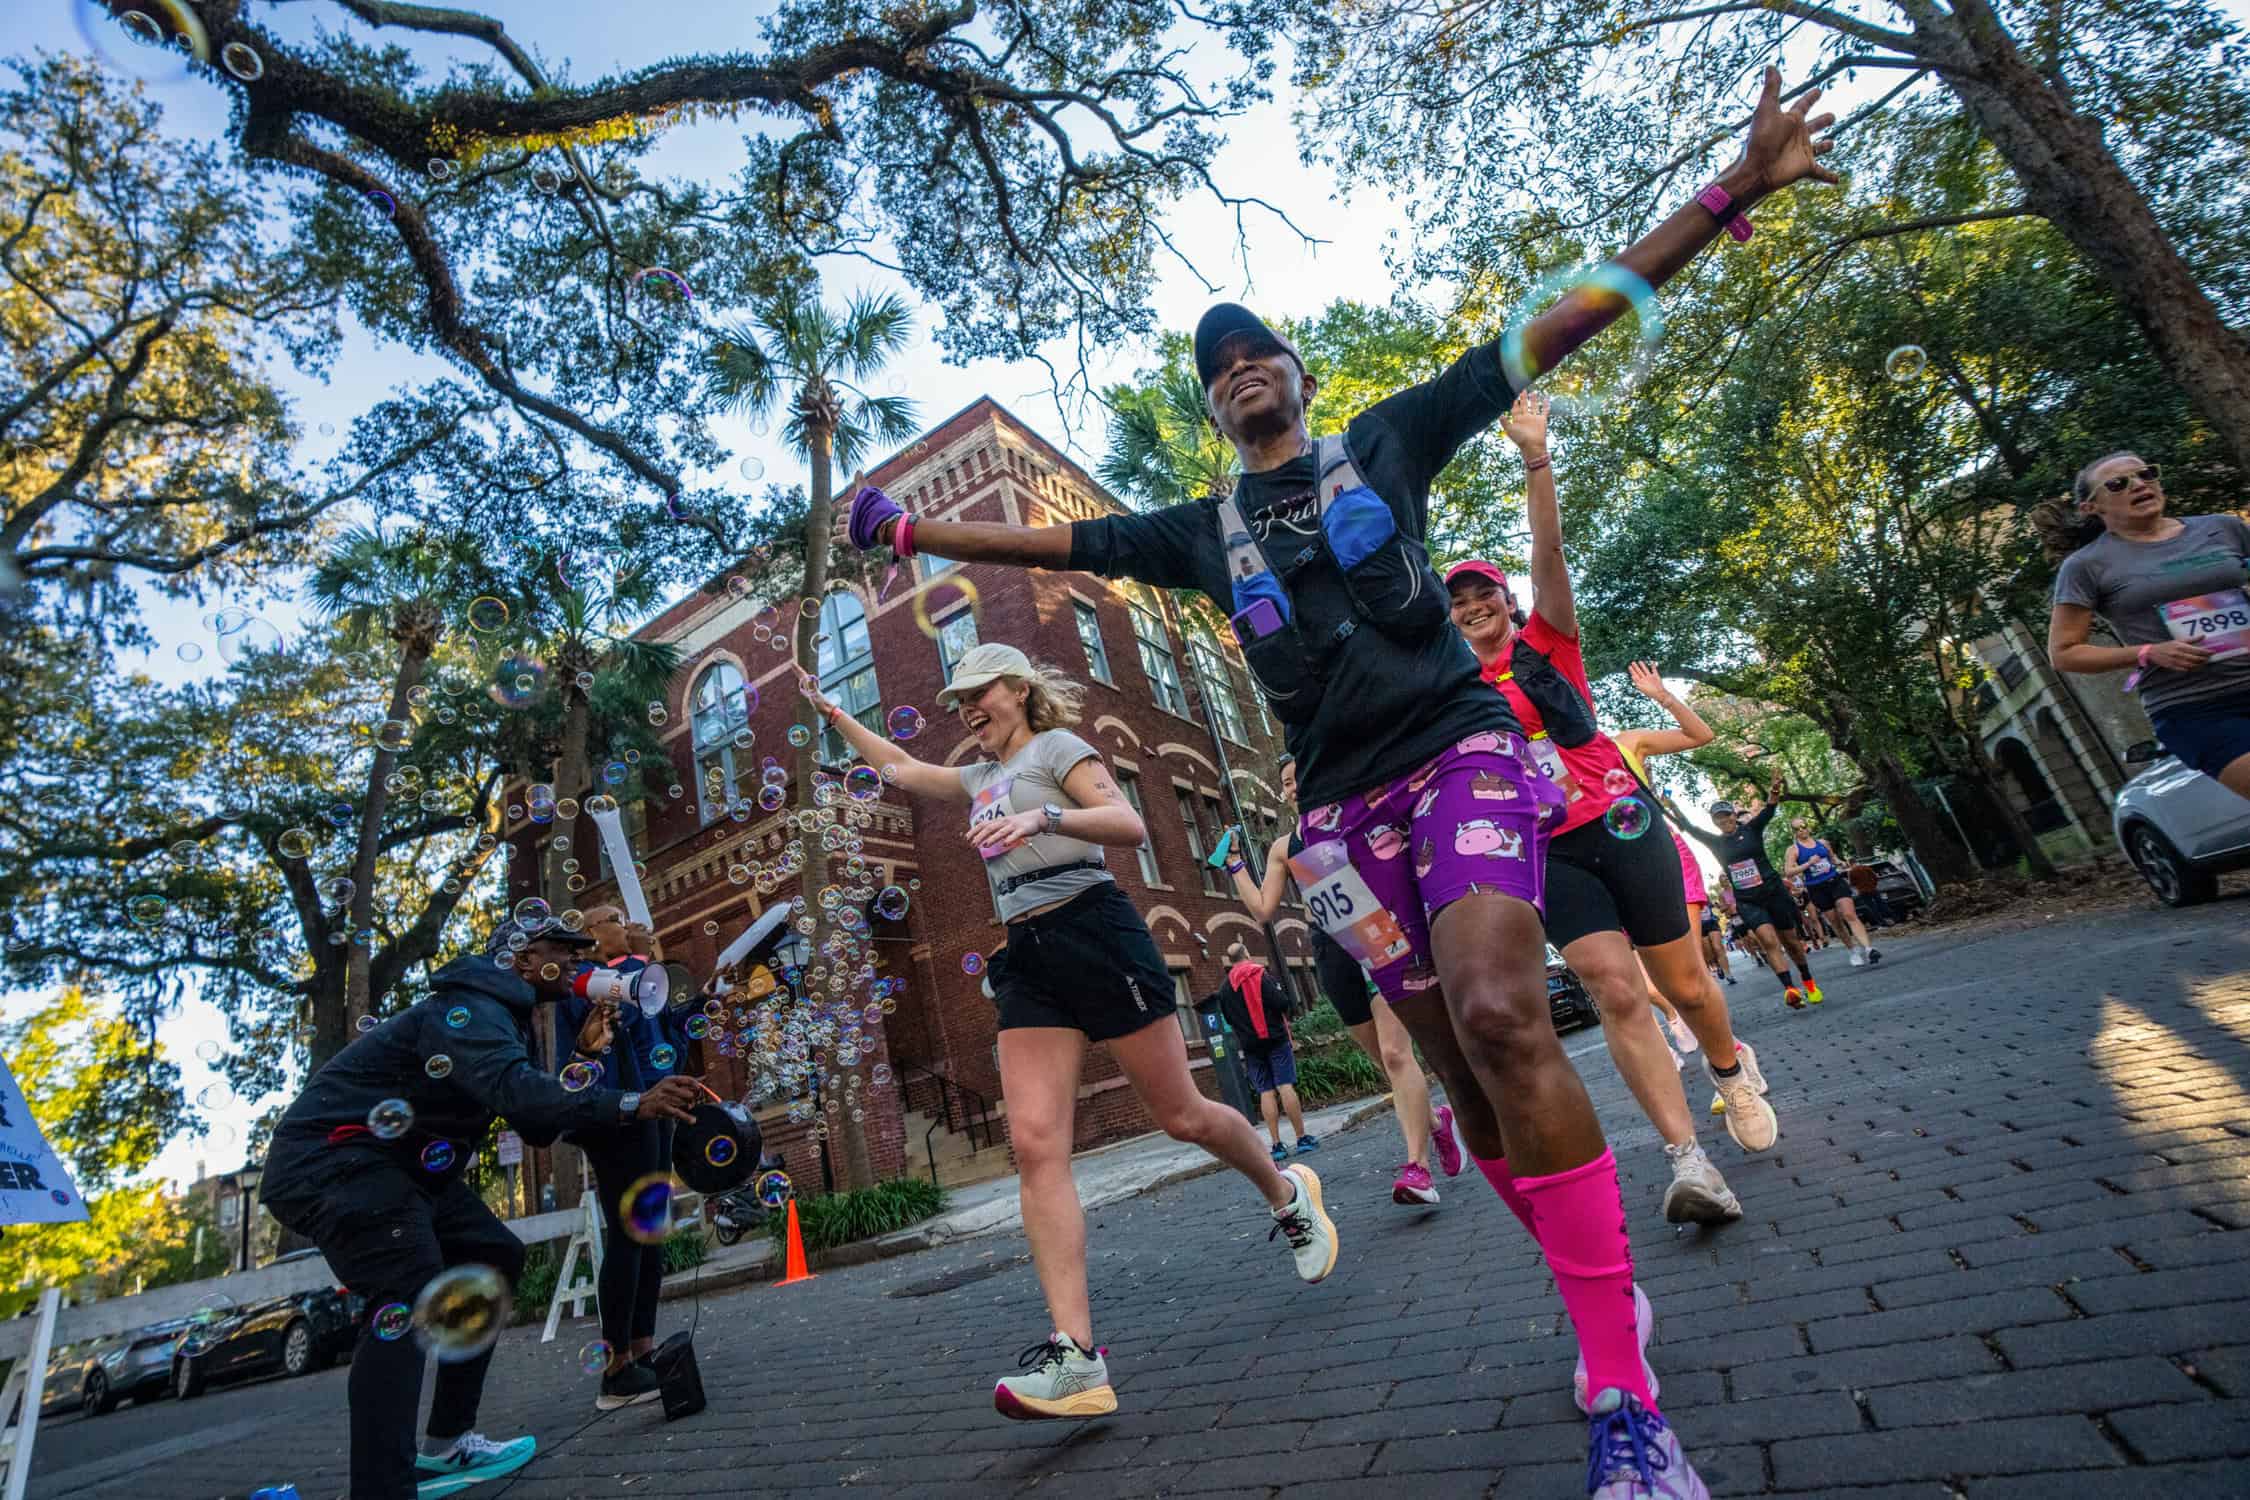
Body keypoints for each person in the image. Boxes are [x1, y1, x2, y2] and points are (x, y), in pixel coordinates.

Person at [840, 70, 1838, 1491]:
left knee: (1501, 1010)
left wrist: (1727, 194)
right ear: (1211, 408)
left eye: (1258, 349)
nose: (1239, 364)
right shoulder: (1200, 528)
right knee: (1467, 1093)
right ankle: (1594, 1293)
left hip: (1462, 760)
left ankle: (1622, 1381)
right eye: (1216, 366)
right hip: (1335, 827)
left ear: (1296, 370)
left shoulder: (1389, 439)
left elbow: (1561, 321)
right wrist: (916, 533)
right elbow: (1053, 554)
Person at [797, 641, 1337, 1423]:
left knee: (1180, 1115)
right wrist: (833, 712)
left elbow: (1126, 825)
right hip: (1030, 954)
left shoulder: (1057, 748)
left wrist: (1040, 816)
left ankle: (1288, 1193)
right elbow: (904, 770)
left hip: (1096, 929)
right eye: (957, 700)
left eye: (977, 693)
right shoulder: (978, 776)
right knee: (1036, 1142)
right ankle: (1077, 1357)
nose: (965, 709)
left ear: (1017, 689)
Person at [1446, 394, 1775, 1224]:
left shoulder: (1548, 644)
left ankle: (1730, 1070)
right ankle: (1688, 1161)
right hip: (1547, 849)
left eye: (1483, 591)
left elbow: (1548, 551)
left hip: (1622, 824)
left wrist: (1535, 458)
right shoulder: (1450, 691)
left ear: (1508, 601)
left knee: (1689, 988)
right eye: (1457, 601)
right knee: (1613, 991)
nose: (1472, 605)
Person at [257, 912, 702, 1500]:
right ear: (519, 958)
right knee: (407, 1290)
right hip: (334, 1161)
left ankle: (446, 1445)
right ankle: (382, 1488)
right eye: (562, 950)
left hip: (402, 1168)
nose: (577, 960)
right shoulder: (467, 1006)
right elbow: (523, 1095)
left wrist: (589, 1057)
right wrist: (630, 1103)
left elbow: (536, 1123)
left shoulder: (506, 1017)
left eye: (579, 952)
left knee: (494, 1255)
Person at [1221, 756, 1463, 1206]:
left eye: (1300, 778)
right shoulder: (1283, 846)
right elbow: (1262, 909)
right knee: (1381, 1059)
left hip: (1376, 933)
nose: (1295, 788)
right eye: (1288, 784)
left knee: (1395, 1054)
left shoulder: (1353, 817)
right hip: (1331, 946)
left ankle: (1417, 1168)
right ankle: (1435, 1121)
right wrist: (1236, 865)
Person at [552, 905, 700, 1410]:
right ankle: (614, 1369)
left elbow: (662, 1036)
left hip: (651, 1104)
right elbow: (605, 1034)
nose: (626, 919)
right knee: (628, 1231)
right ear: (593, 934)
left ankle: (641, 1348)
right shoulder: (583, 982)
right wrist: (639, 961)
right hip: (614, 1112)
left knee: (651, 1228)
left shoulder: (638, 974)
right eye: (613, 915)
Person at [2043, 454, 2250, 801]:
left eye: (2146, 474)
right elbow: (2063, 653)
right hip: (2196, 708)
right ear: (2091, 507)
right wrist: (2149, 652)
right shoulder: (2086, 566)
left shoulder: (2222, 527)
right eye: (2117, 484)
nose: (2139, 484)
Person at [1609, 660, 1729, 1044]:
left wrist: (1662, 696)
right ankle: (1681, 1020)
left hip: (1664, 854)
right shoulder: (1540, 762)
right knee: (1645, 985)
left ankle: (1730, 1064)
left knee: (1690, 974)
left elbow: (1700, 734)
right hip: (1609, 869)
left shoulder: (1626, 742)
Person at [1669, 769, 1824, 1009]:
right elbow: (1687, 826)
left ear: (1733, 815)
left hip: (1773, 892)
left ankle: (1809, 982)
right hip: (1749, 901)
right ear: (1714, 822)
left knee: (1791, 941)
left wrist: (1774, 789)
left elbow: (1770, 809)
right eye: (1718, 818)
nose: (1724, 821)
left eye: (1726, 816)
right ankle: (1790, 990)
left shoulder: (1752, 830)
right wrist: (1672, 806)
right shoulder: (1715, 842)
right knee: (1769, 942)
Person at [1209, 941, 1316, 1159]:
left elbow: (1228, 1019)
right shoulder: (1261, 975)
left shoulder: (1225, 988)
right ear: (1246, 953)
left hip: (1251, 1047)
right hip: (1275, 1039)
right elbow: (1282, 1003)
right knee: (1285, 1086)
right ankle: (1302, 1138)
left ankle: (1276, 1145)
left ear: (1230, 961)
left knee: (1265, 1091)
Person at [1784, 820, 1879, 967]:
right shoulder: (1793, 850)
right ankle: (1853, 950)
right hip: (1816, 888)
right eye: (1797, 829)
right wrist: (1808, 864)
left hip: (1835, 881)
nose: (1802, 830)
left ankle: (1868, 949)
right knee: (1835, 921)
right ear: (1794, 832)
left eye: (1804, 826)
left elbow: (1833, 858)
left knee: (1849, 914)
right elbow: (1788, 871)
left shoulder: (1822, 843)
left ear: (1808, 827)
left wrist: (1841, 863)